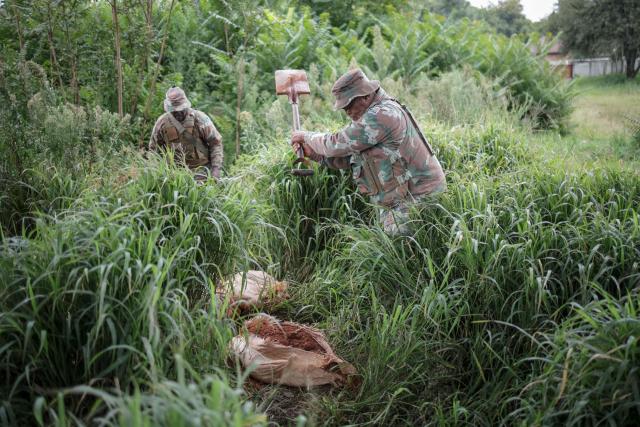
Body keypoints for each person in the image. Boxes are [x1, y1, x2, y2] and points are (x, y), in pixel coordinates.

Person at [290, 68, 446, 236]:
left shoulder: (382, 115)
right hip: (398, 198)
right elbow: (351, 158)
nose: (347, 112)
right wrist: (314, 155)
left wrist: (306, 136)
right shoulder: (369, 117)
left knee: (399, 247)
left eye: (349, 105)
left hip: (420, 195)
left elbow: (336, 143)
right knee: (391, 246)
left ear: (364, 96)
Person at [149, 87, 223, 181]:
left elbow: (216, 143)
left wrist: (216, 169)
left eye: (181, 110)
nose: (178, 113)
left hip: (201, 173)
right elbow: (153, 151)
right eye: (174, 111)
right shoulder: (162, 123)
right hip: (174, 176)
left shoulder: (200, 119)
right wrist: (156, 173)